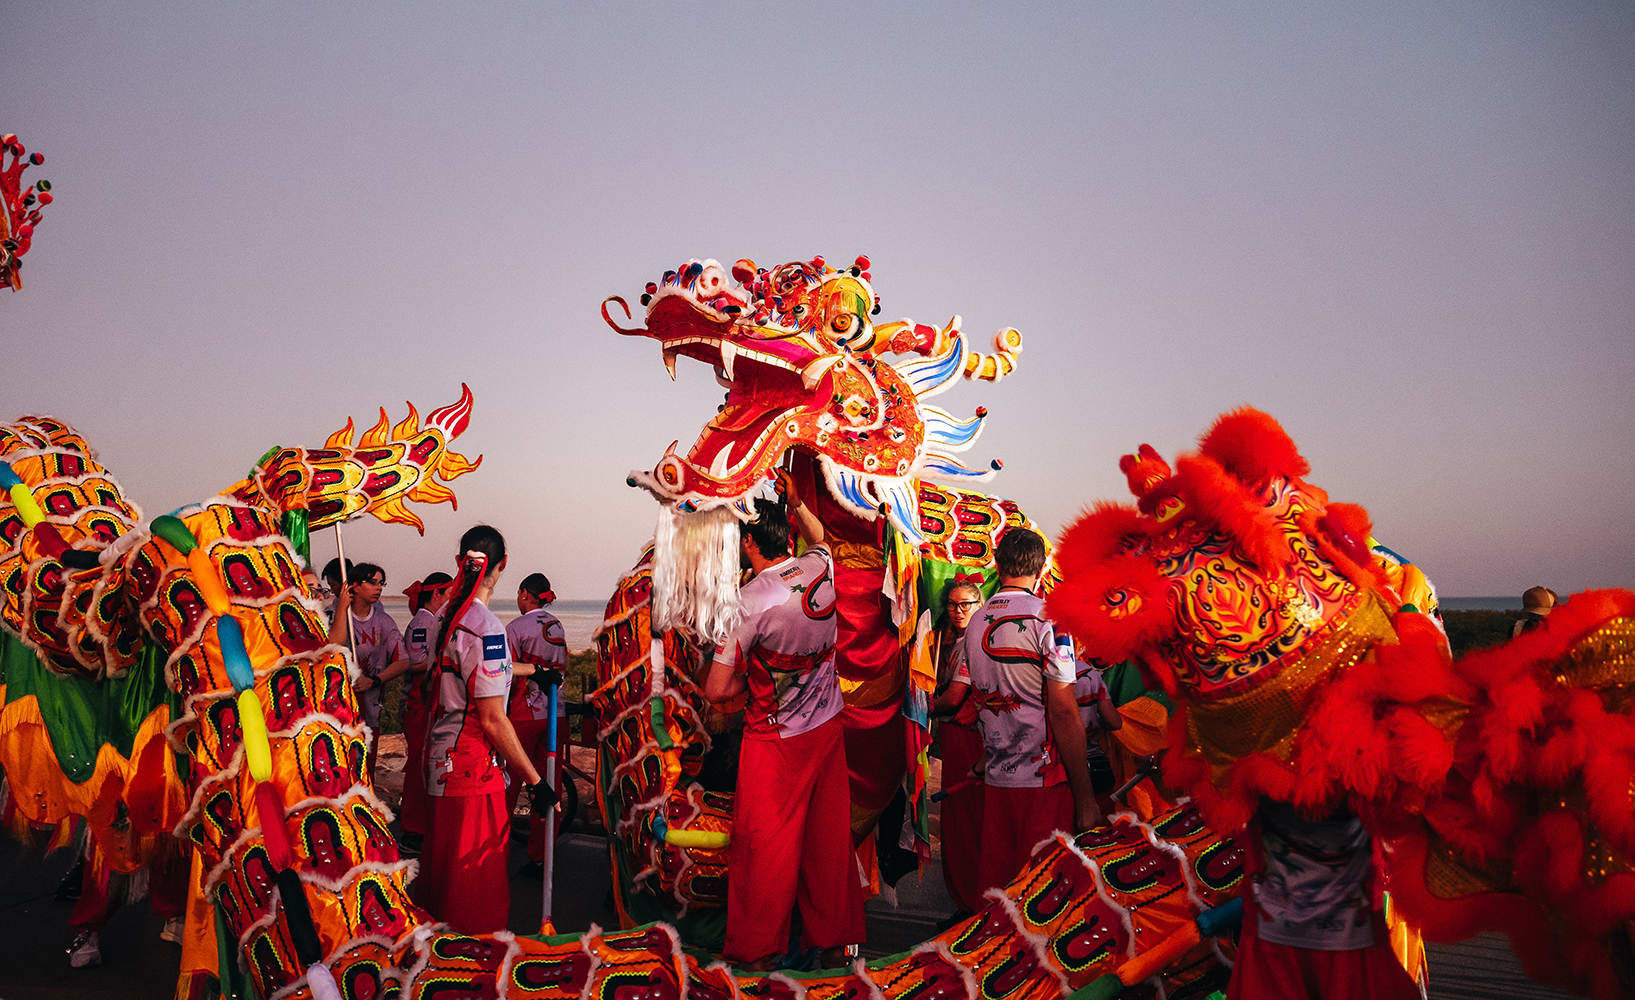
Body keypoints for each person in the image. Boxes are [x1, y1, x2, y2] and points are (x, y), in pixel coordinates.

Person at [703, 469, 864, 969]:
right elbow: (820, 538)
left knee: (763, 849)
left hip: (776, 741)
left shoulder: (749, 600)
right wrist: (796, 502)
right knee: (828, 841)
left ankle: (757, 951)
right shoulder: (819, 567)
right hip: (828, 728)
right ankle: (835, 944)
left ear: (749, 541)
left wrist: (745, 682)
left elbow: (715, 689)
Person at [417, 525, 545, 934]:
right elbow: (492, 718)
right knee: (473, 894)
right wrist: (536, 781)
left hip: (440, 762)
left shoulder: (445, 618)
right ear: (502, 565)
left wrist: (533, 671)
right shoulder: (487, 627)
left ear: (460, 563)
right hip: (473, 771)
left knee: (441, 882)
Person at [964, 528, 1100, 897]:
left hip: (997, 779)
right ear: (1041, 570)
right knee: (1040, 904)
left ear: (997, 564)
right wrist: (1086, 799)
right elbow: (1064, 712)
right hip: (1043, 782)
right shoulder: (1050, 620)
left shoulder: (976, 621)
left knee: (996, 903)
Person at [504, 572, 569, 878]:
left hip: (525, 714)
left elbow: (506, 672)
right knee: (550, 786)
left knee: (509, 784)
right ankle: (542, 857)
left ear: (524, 593)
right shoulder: (557, 625)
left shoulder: (515, 627)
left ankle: (495, 850)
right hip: (556, 714)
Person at [930, 575, 986, 916]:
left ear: (979, 606)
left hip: (968, 738)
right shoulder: (957, 639)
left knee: (967, 822)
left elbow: (953, 698)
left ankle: (971, 903)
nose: (958, 610)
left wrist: (923, 706)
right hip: (958, 738)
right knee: (958, 822)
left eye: (965, 604)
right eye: (952, 604)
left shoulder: (972, 641)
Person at [328, 562, 409, 775]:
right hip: (338, 707)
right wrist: (341, 609)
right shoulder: (333, 615)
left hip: (371, 708)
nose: (379, 588)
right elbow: (331, 648)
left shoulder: (384, 621)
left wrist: (375, 680)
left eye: (381, 583)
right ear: (354, 585)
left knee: (366, 771)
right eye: (372, 582)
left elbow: (403, 660)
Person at [397, 571, 453, 848]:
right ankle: (412, 829)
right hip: (418, 703)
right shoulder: (424, 622)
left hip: (427, 703)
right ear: (437, 594)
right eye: (449, 593)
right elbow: (414, 661)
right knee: (419, 770)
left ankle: (422, 824)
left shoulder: (433, 621)